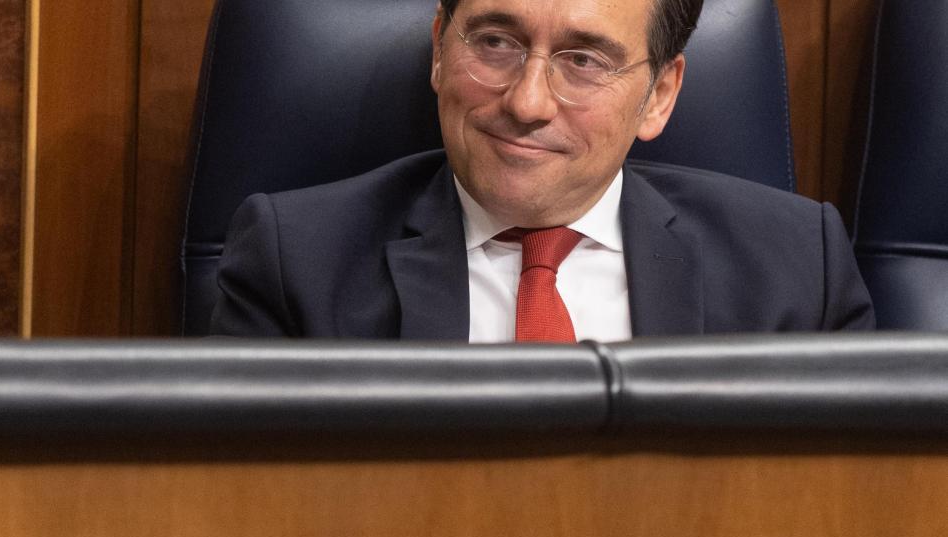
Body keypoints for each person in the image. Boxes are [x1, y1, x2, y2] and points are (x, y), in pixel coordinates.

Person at [210, 0, 877, 340]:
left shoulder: (796, 271)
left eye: (583, 60)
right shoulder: (295, 263)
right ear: (439, 48)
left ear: (660, 95)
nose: (527, 103)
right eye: (495, 42)